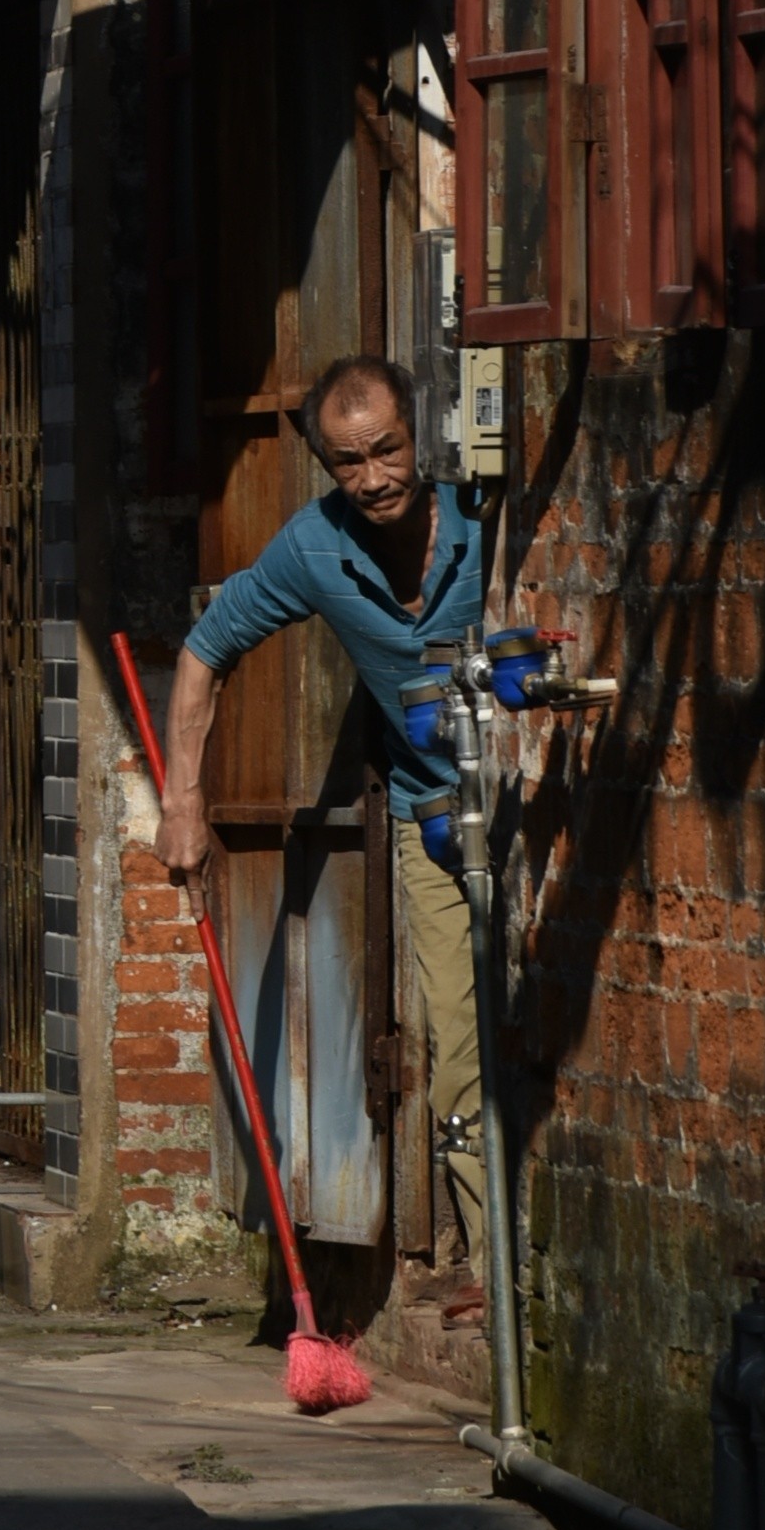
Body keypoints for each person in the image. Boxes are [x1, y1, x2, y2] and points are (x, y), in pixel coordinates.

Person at [155, 352, 487, 1310]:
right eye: (349, 462)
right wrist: (183, 804)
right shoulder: (313, 548)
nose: (374, 478)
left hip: (528, 806)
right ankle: (493, 1265)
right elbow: (204, 652)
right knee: (458, 1048)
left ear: (419, 435)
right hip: (433, 820)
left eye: (387, 450)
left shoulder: (482, 513)